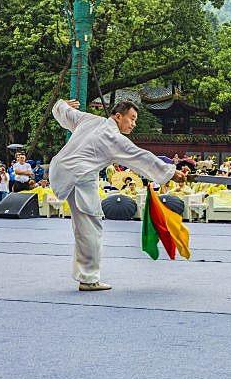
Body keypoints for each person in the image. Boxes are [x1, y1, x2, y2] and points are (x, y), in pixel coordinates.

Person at [50, 99, 181, 291]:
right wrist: (171, 173)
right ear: (118, 116)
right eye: (132, 119)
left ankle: (87, 276)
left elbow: (66, 113)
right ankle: (88, 279)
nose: (134, 124)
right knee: (90, 227)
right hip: (80, 175)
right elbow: (140, 156)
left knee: (86, 225)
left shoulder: (90, 119)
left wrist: (61, 104)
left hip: (61, 169)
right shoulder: (113, 137)